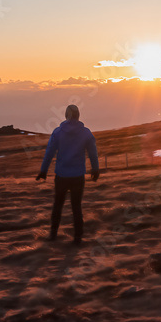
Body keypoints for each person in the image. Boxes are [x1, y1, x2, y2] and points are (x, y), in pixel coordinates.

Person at [36, 104, 100, 244]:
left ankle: (53, 235)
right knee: (76, 207)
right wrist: (95, 169)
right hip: (78, 176)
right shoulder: (86, 133)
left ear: (66, 115)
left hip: (61, 175)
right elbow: (93, 153)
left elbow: (49, 153)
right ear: (78, 116)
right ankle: (78, 238)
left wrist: (43, 170)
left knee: (57, 205)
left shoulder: (58, 132)